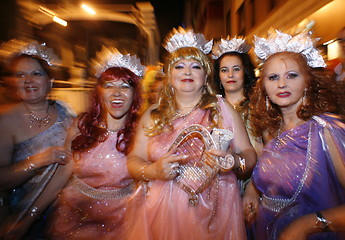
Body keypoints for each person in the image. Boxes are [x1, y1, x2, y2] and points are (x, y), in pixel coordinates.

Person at [126, 27, 256, 240]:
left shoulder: (222, 109)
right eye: (179, 66)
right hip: (161, 212)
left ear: (206, 77)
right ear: (169, 75)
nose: (187, 72)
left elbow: (249, 154)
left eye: (195, 66)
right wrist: (152, 171)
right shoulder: (153, 114)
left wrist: (235, 161)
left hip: (216, 214)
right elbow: (133, 160)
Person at [243, 30, 345, 240]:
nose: (281, 84)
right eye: (273, 77)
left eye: (291, 75)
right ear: (264, 87)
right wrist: (253, 191)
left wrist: (308, 224)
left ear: (308, 81)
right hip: (266, 229)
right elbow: (272, 172)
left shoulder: (327, 130)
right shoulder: (270, 129)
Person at [48, 47, 144, 239]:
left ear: (135, 94)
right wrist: (29, 215)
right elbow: (61, 175)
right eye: (109, 85)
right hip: (74, 216)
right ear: (99, 92)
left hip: (124, 221)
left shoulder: (143, 132)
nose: (117, 93)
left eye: (125, 86)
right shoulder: (81, 125)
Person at [0, 41, 75, 239]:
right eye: (20, 75)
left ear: (50, 81)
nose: (28, 80)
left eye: (36, 74)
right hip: (25, 219)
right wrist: (38, 160)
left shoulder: (65, 111)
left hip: (68, 213)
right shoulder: (6, 121)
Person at [212, 37, 262, 162]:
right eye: (224, 70)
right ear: (218, 75)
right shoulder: (211, 109)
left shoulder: (258, 107)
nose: (230, 75)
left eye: (236, 69)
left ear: (245, 72)